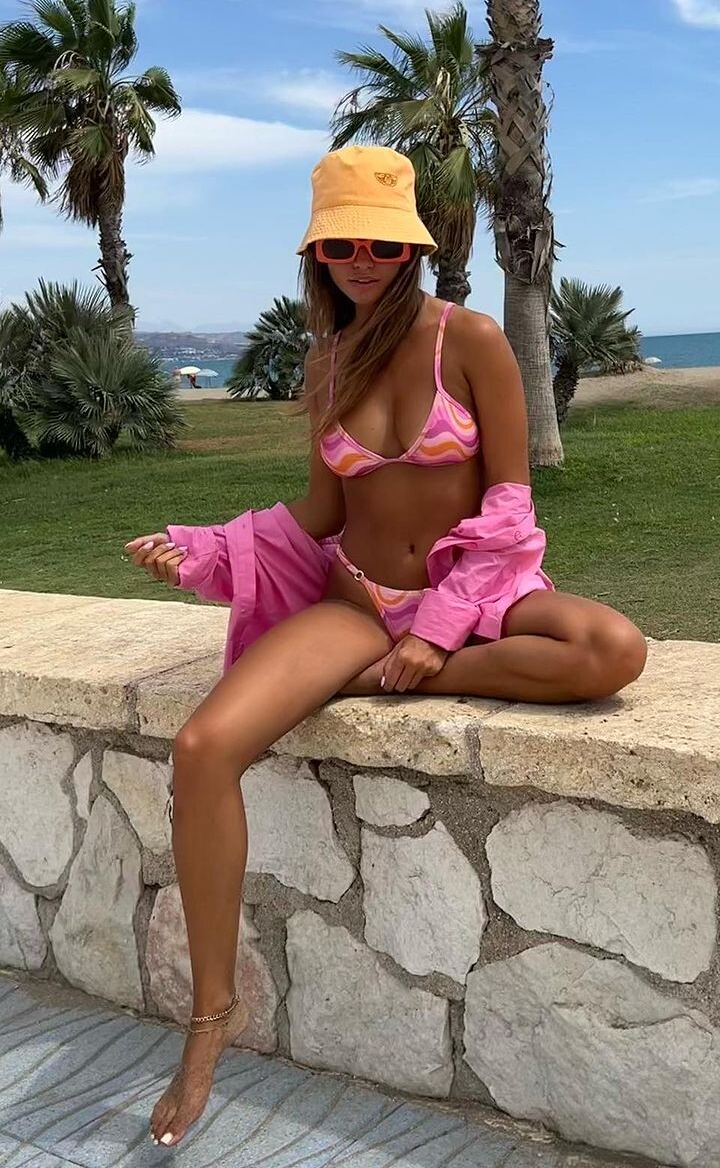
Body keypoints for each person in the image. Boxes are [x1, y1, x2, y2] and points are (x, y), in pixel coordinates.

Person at [123, 146, 647, 1149]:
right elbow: (320, 516)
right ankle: (210, 1018)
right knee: (202, 748)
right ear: (317, 254)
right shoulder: (328, 363)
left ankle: (391, 675)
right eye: (341, 245)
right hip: (356, 602)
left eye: (381, 243)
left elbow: (509, 506)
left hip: (472, 593)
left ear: (412, 248)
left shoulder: (472, 339)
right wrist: (205, 549)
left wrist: (439, 632)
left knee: (610, 648)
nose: (361, 259)